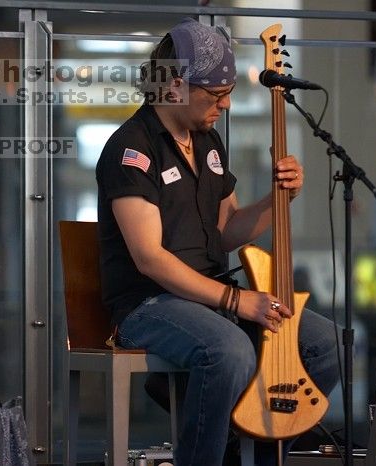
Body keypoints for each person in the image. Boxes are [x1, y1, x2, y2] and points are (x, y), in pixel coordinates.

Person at [96, 19, 339, 466]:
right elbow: (149, 259)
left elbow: (227, 230)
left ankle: (259, 449)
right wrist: (235, 300)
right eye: (215, 95)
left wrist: (276, 199)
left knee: (327, 343)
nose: (225, 105)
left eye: (227, 92)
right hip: (149, 305)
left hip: (208, 297)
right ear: (175, 86)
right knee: (228, 350)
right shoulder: (131, 148)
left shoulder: (208, 141)